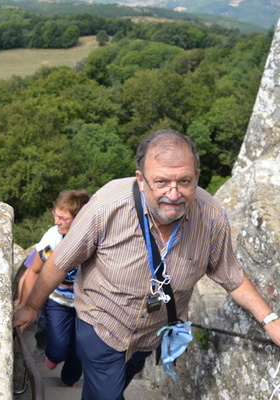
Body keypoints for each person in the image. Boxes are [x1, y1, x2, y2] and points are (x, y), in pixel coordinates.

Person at [14, 129, 280, 400]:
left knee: (120, 381)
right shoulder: (107, 205)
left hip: (150, 335)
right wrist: (31, 307)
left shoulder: (211, 218)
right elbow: (60, 261)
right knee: (105, 393)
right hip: (101, 325)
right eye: (161, 182)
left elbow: (230, 275)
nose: (174, 194)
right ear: (141, 180)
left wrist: (270, 321)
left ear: (197, 177)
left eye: (184, 181)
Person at [16, 189, 90, 388]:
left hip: (87, 305)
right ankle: (53, 353)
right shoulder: (52, 239)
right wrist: (24, 305)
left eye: (63, 218)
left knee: (81, 349)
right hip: (58, 301)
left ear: (80, 220)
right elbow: (32, 271)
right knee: (58, 350)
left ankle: (69, 379)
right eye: (56, 215)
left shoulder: (95, 240)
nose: (57, 221)